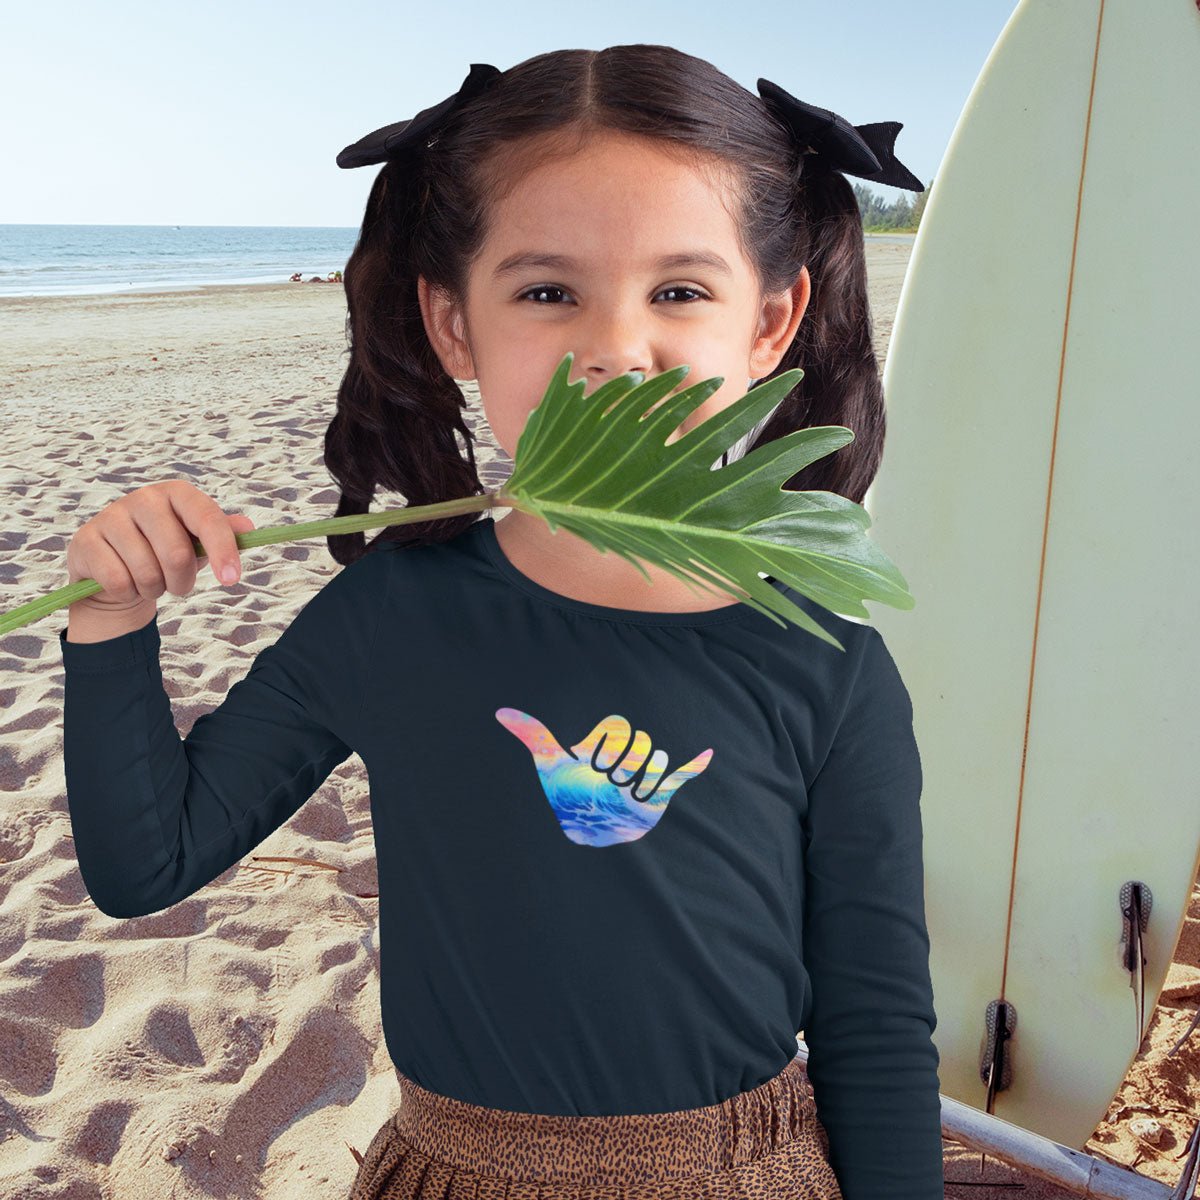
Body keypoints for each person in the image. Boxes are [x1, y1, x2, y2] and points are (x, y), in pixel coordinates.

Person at [57, 44, 942, 1200]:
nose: (617, 349)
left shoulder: (827, 665)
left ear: (770, 323)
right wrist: (114, 619)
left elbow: (877, 1025)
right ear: (453, 323)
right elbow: (147, 862)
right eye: (547, 292)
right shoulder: (392, 616)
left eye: (680, 291)